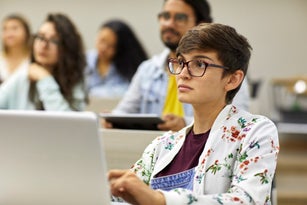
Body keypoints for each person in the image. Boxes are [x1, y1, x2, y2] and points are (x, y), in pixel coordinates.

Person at [108, 23, 279, 205]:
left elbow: (247, 201)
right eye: (181, 63)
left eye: (199, 64)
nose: (183, 74)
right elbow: (123, 197)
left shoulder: (255, 131)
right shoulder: (161, 146)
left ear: (232, 79)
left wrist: (161, 200)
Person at [109, 0, 250, 131]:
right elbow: (124, 111)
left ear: (202, 24)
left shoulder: (225, 72)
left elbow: (235, 123)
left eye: (180, 17)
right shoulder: (148, 69)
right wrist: (111, 119)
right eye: (165, 16)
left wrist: (185, 124)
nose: (169, 24)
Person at [0, 13, 87, 111]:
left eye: (54, 40)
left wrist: (44, 78)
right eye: (40, 37)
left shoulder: (75, 79)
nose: (44, 45)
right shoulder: (25, 75)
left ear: (67, 47)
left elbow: (68, 123)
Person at [85, 19, 148, 98]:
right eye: (101, 40)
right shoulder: (83, 61)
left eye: (110, 46)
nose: (103, 48)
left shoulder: (129, 68)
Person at [0, 14, 31, 83]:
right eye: (5, 29)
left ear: (26, 32)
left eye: (14, 28)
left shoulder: (33, 60)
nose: (9, 34)